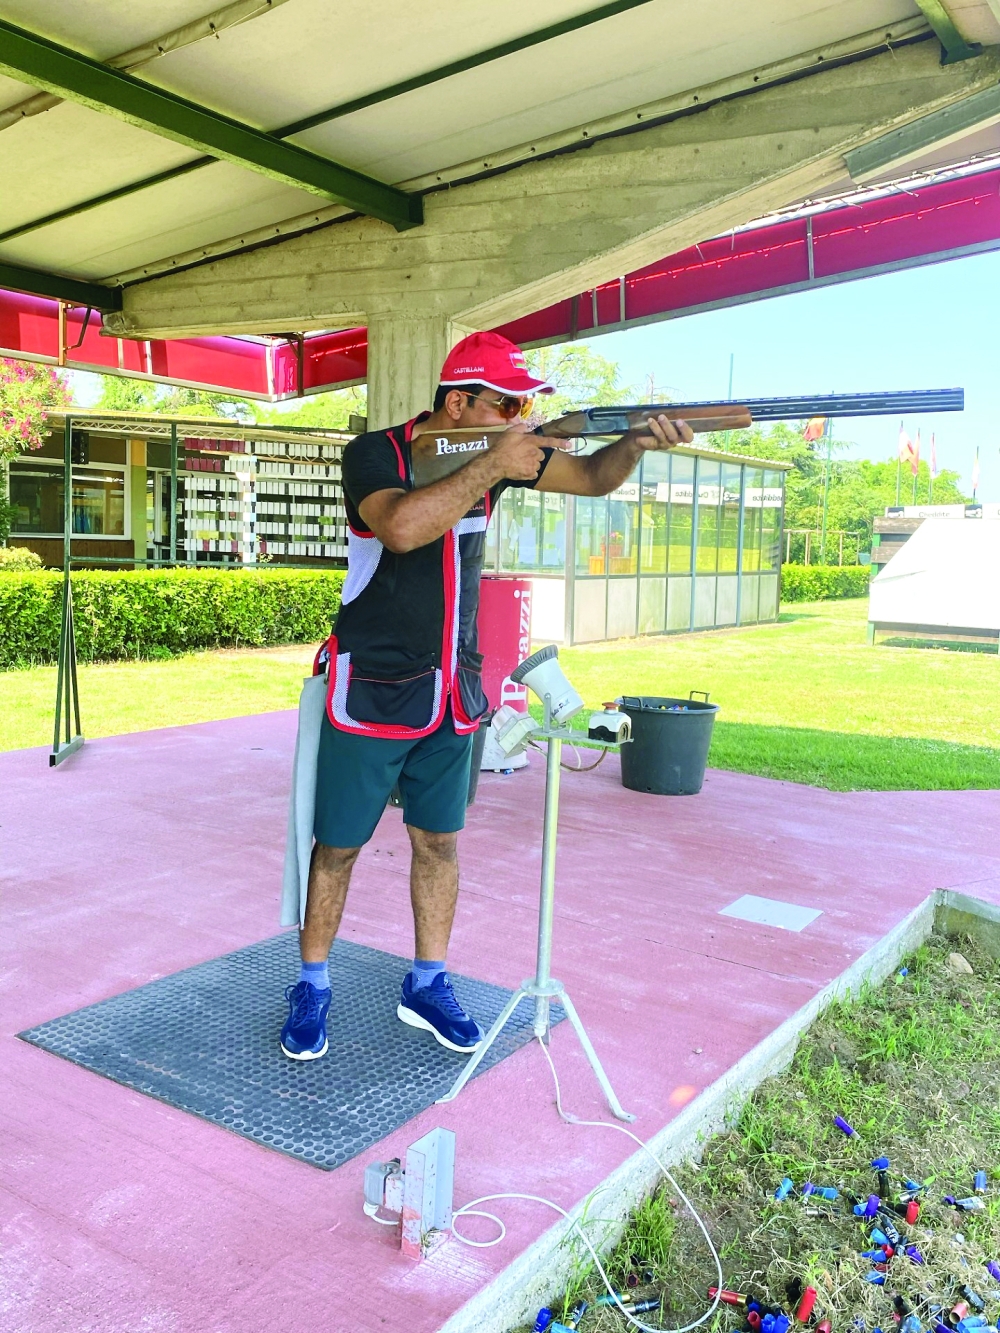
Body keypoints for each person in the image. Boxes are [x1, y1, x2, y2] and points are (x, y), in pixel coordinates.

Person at [280, 330, 693, 1060]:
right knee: (338, 847)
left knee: (439, 843)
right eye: (508, 402)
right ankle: (312, 985)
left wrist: (635, 443)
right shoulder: (374, 453)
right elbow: (402, 527)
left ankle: (428, 982)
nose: (521, 414)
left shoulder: (492, 456)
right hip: (372, 689)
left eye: (525, 404)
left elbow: (594, 478)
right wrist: (495, 462)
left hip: (453, 689)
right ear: (460, 400)